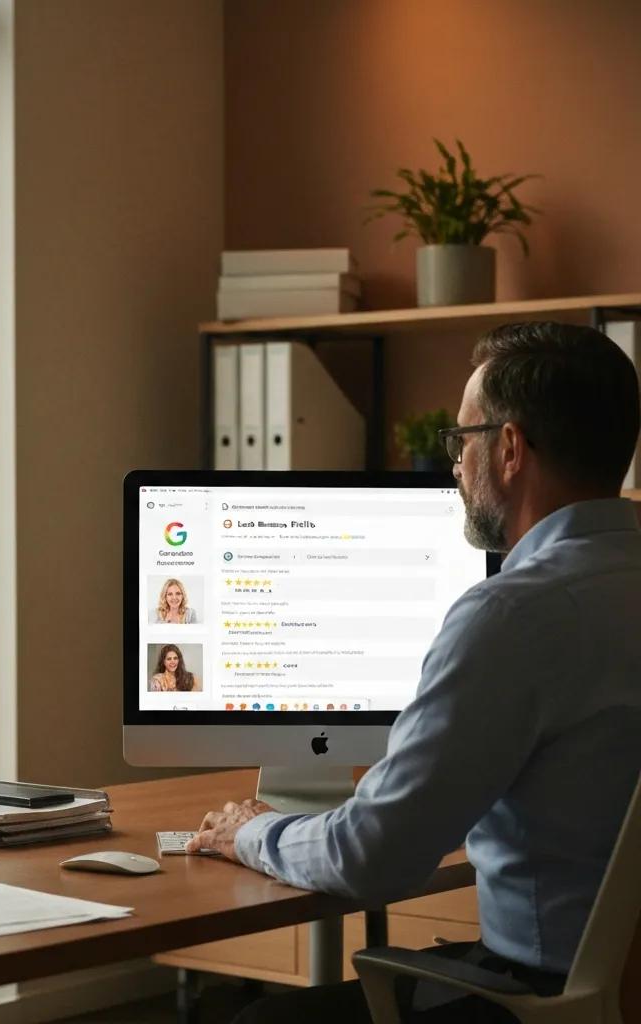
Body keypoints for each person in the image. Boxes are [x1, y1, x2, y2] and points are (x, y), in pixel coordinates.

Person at [186, 321, 641, 1022]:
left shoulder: (513, 615)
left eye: (463, 440)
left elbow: (371, 858)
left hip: (545, 1000)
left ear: (510, 448)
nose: (456, 465)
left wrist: (251, 830)